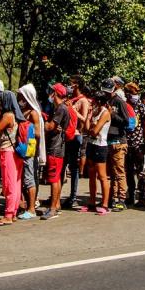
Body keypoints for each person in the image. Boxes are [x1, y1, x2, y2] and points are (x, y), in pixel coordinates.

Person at [0, 90, 26, 226]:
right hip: (17, 152)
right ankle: (14, 211)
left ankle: (8, 215)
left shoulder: (7, 116)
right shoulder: (17, 115)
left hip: (7, 152)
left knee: (9, 183)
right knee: (16, 182)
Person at [41, 83, 70, 220]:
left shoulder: (60, 109)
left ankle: (52, 208)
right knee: (56, 178)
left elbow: (51, 127)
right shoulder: (59, 108)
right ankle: (56, 204)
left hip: (55, 147)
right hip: (58, 147)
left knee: (53, 178)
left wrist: (43, 122)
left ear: (55, 93)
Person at [81, 88, 112, 215]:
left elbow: (95, 132)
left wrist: (92, 128)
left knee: (102, 176)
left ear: (99, 101)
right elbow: (86, 129)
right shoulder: (94, 112)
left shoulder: (105, 113)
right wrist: (89, 117)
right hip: (91, 145)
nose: (92, 103)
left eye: (94, 101)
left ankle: (105, 205)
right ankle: (91, 203)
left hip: (100, 146)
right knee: (92, 175)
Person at [17, 84, 45, 220]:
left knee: (29, 179)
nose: (20, 98)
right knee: (26, 179)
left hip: (29, 150)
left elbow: (38, 134)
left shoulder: (33, 113)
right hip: (25, 150)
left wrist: (30, 150)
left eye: (22, 95)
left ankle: (32, 208)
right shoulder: (26, 111)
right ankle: (28, 205)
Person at [62, 77, 90, 209]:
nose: (69, 85)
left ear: (77, 85)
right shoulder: (70, 99)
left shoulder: (83, 100)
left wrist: (72, 109)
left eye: (71, 83)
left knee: (73, 168)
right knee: (62, 166)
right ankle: (56, 196)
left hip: (76, 136)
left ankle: (73, 197)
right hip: (66, 135)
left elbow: (84, 119)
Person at [105, 77, 130, 212]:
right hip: (107, 140)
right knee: (111, 172)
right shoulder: (106, 100)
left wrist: (113, 114)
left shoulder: (119, 102)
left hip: (119, 141)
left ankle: (122, 199)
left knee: (120, 171)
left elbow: (125, 121)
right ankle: (112, 197)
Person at [124, 82, 145, 207]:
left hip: (138, 142)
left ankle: (142, 197)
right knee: (128, 170)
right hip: (127, 142)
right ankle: (131, 194)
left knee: (140, 170)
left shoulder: (140, 106)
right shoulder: (125, 105)